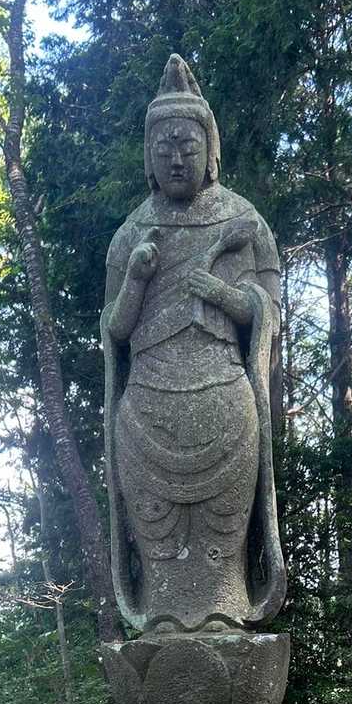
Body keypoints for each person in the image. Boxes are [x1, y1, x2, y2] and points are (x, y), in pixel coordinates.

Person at [102, 54, 286, 636]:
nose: (177, 158)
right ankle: (161, 620)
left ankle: (225, 614)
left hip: (223, 395)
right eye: (164, 148)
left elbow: (270, 313)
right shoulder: (133, 232)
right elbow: (115, 330)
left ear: (210, 151)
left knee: (219, 535)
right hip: (148, 405)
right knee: (159, 533)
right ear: (149, 158)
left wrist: (226, 296)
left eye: (187, 145)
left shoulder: (244, 222)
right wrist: (136, 279)